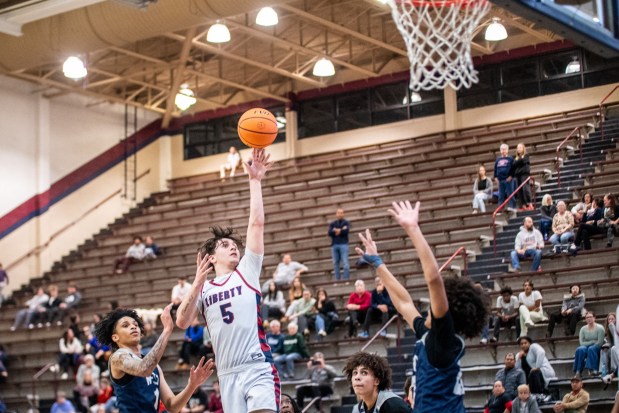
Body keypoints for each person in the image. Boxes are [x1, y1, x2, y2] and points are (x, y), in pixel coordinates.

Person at [355, 200, 489, 412]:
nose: (430, 304)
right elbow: (403, 302)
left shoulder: (443, 340)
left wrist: (413, 228)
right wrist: (378, 264)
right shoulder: (428, 335)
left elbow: (434, 279)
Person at [176, 148, 280, 413]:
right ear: (210, 257)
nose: (233, 247)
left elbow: (256, 225)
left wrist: (254, 181)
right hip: (227, 373)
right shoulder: (205, 288)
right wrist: (197, 281)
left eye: (234, 244)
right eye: (225, 245)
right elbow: (182, 321)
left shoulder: (247, 271)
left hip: (257, 365)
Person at [95, 305, 214, 413]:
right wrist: (167, 330)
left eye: (135, 325)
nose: (133, 327)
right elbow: (144, 368)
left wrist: (192, 386)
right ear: (115, 337)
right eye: (126, 325)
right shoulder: (118, 357)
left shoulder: (155, 368)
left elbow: (172, 406)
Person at [343, 352, 411, 413]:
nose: (357, 377)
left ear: (377, 381)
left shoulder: (394, 406)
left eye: (364, 373)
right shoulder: (361, 407)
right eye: (355, 373)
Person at [515, 336, 556, 403]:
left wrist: (537, 367)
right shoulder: (519, 355)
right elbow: (517, 370)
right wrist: (519, 358)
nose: (523, 345)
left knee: (534, 372)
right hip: (530, 378)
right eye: (521, 344)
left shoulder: (533, 347)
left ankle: (539, 394)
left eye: (525, 343)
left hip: (543, 371)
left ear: (529, 343)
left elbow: (541, 352)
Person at [573, 310, 604, 377]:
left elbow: (599, 342)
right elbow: (581, 343)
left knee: (591, 348)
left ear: (594, 318)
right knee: (580, 349)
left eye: (590, 317)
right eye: (587, 317)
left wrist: (590, 343)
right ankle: (578, 371)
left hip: (597, 347)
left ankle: (593, 369)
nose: (589, 319)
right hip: (587, 347)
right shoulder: (583, 329)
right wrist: (592, 341)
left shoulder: (600, 328)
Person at [328, 208, 351, 281]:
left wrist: (337, 230)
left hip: (344, 244)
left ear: (343, 214)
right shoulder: (332, 223)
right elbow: (329, 233)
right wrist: (341, 230)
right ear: (336, 214)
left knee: (345, 262)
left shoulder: (346, 222)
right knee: (335, 263)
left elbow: (346, 231)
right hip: (335, 244)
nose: (340, 214)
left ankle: (346, 278)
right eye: (338, 213)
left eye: (341, 213)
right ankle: (337, 279)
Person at [511, 142, 533, 211]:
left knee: (525, 189)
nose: (519, 149)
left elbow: (523, 161)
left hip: (524, 174)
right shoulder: (515, 158)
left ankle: (529, 203)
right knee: (519, 191)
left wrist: (518, 161)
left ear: (523, 148)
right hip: (518, 176)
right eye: (518, 148)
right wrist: (519, 161)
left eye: (520, 147)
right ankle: (523, 205)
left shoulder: (526, 155)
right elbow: (514, 164)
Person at [494, 143, 515, 209]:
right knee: (501, 195)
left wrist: (511, 176)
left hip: (508, 179)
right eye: (502, 149)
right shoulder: (498, 159)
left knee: (510, 194)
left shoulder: (510, 159)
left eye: (505, 149)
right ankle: (500, 208)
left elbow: (513, 168)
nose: (503, 151)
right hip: (500, 180)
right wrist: (495, 177)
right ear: (500, 151)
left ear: (507, 150)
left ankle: (512, 207)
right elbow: (495, 169)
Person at [601, 309, 618, 383]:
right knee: (604, 350)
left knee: (614, 349)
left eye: (612, 319)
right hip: (612, 347)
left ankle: (615, 370)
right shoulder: (606, 331)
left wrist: (612, 327)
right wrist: (606, 344)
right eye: (609, 319)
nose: (610, 320)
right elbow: (608, 342)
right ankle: (605, 371)